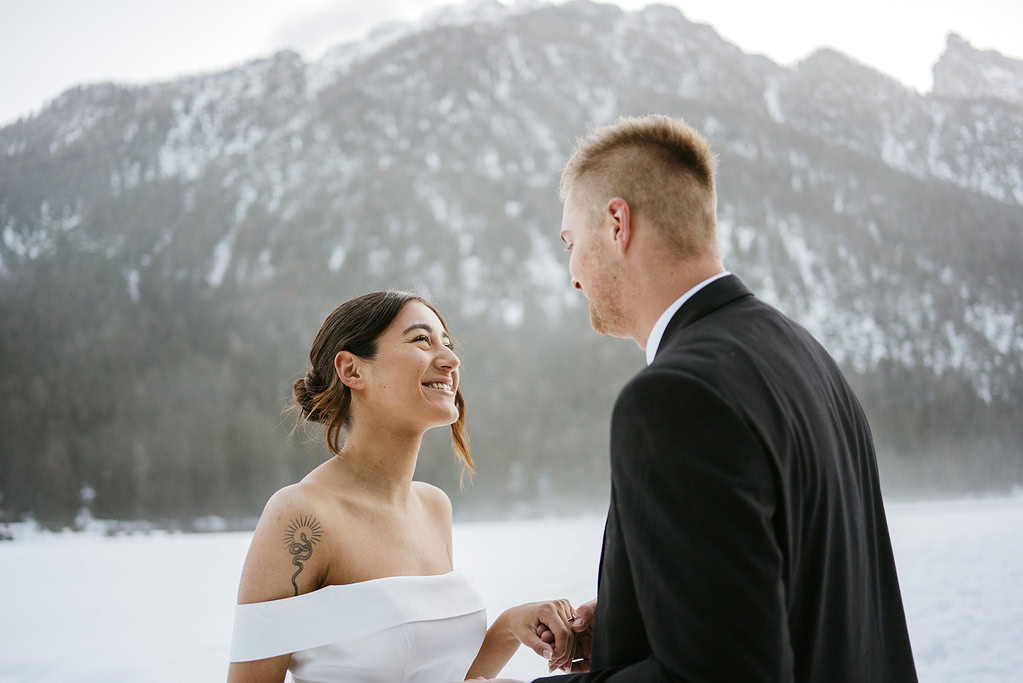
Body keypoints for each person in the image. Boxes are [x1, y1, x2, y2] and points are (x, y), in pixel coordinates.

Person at [478, 115, 918, 682]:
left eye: (570, 243)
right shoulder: (810, 361)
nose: (573, 276)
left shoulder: (675, 397)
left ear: (617, 224)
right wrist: (627, 624)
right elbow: (802, 597)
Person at [227, 290, 579, 683]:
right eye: (421, 340)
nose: (451, 360)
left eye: (446, 343)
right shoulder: (301, 516)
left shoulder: (433, 507)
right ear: (352, 370)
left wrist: (510, 626)